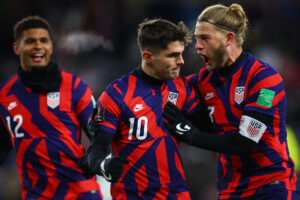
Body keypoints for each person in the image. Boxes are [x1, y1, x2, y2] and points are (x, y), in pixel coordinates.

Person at [163, 3, 299, 200]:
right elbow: (164, 92)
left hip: (270, 189)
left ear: (229, 38)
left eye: (205, 38)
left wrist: (189, 134)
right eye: (197, 39)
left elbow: (245, 143)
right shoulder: (202, 80)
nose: (198, 46)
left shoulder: (264, 79)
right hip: (231, 191)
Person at [78, 18, 212, 199]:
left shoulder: (181, 88)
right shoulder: (116, 95)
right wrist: (105, 166)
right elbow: (96, 150)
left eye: (180, 54)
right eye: (172, 55)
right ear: (148, 57)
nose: (181, 61)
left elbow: (212, 128)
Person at [0, 16, 102, 199]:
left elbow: (101, 132)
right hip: (36, 194)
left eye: (44, 40)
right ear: (17, 48)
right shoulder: (5, 95)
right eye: (30, 41)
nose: (38, 46)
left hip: (80, 192)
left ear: (51, 47)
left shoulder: (75, 87)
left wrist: (95, 157)